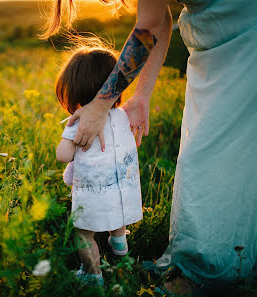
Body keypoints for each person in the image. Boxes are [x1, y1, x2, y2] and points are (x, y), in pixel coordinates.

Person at [45, 0, 257, 294]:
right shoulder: (120, 119)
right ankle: (226, 254)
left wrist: (100, 105)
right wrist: (141, 96)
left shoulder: (86, 121)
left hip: (245, 40)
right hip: (216, 46)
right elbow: (161, 19)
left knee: (207, 156)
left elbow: (153, 23)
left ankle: (203, 272)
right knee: (233, 152)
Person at [55, 45, 143, 287]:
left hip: (93, 193)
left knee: (84, 234)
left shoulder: (80, 120)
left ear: (75, 90)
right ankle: (119, 244)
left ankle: (92, 275)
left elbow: (63, 155)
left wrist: (67, 141)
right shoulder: (122, 115)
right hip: (120, 188)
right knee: (116, 212)